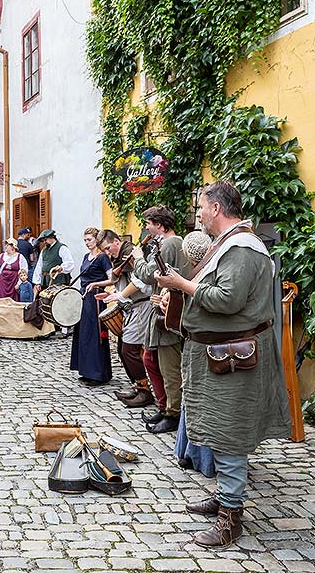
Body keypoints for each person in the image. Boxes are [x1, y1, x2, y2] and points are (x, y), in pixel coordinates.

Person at [156, 181, 290, 547]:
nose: (197, 213)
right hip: (220, 353)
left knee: (229, 433)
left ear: (216, 208)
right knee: (219, 427)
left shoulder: (244, 248)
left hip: (233, 356)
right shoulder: (227, 245)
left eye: (200, 206)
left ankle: (231, 516)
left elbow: (228, 299)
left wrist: (180, 284)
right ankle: (224, 496)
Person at [129, 205, 190, 433]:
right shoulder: (167, 243)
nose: (146, 227)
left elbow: (148, 274)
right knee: (154, 361)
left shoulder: (172, 243)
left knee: (169, 367)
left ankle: (173, 413)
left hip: (168, 311)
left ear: (159, 223)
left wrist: (137, 258)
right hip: (161, 306)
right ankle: (166, 408)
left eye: (149, 223)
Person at [95, 229, 155, 407]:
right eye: (104, 251)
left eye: (108, 248)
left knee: (130, 350)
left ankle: (145, 392)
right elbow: (118, 278)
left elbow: (140, 282)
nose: (107, 253)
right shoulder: (120, 256)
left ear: (116, 241)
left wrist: (119, 296)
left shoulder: (131, 252)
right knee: (123, 349)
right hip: (130, 307)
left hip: (140, 306)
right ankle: (138, 387)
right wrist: (114, 293)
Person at [172, 230, 215, 478]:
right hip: (199, 343)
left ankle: (198, 455)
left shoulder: (203, 275)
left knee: (201, 402)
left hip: (206, 345)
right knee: (193, 400)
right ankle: (189, 451)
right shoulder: (198, 274)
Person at [69, 227, 113, 385]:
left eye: (89, 240)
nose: (87, 243)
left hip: (95, 298)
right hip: (84, 297)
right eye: (85, 240)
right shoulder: (86, 257)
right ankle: (86, 370)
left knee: (96, 335)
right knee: (84, 334)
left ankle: (98, 373)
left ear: (96, 240)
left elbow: (112, 279)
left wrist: (96, 283)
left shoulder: (102, 258)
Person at [31, 229, 75, 294]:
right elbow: (39, 266)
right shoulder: (44, 250)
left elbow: (70, 263)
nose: (44, 242)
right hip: (45, 282)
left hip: (59, 282)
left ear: (51, 237)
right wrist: (37, 282)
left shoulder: (62, 248)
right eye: (43, 240)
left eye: (45, 240)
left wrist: (61, 268)